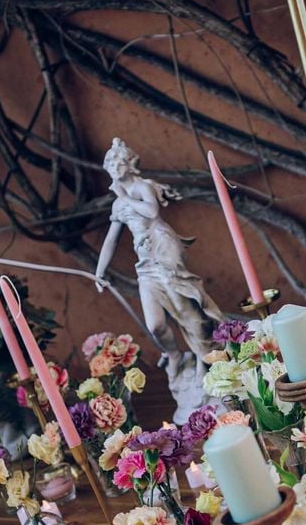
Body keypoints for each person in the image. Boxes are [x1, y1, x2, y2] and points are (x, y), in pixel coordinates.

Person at [95, 137, 222, 418]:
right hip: (145, 263)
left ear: (129, 164)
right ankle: (176, 355)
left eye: (118, 162)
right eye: (110, 164)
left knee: (187, 313)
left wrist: (124, 196)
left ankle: (203, 364)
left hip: (164, 251)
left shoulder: (142, 187)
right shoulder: (118, 206)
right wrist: (99, 271)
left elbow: (152, 212)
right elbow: (111, 240)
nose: (114, 167)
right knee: (155, 325)